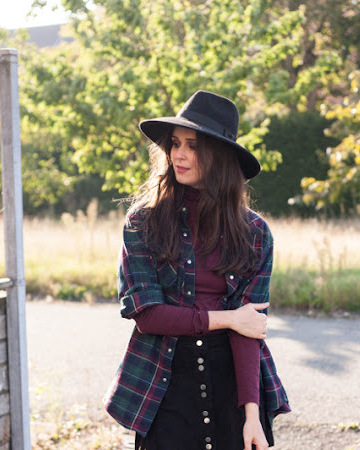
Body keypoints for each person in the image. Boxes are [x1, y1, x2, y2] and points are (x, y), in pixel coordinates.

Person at [104, 90, 290, 450]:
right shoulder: (142, 222)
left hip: (232, 384)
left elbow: (249, 326)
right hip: (165, 381)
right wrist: (228, 318)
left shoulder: (255, 233)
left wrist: (252, 415)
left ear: (219, 156)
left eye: (192, 145)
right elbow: (148, 316)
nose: (179, 154)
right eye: (175, 144)